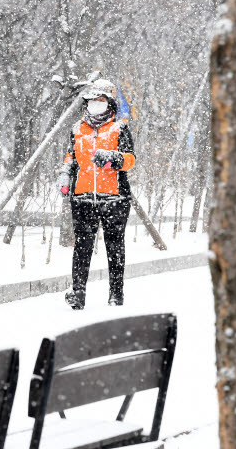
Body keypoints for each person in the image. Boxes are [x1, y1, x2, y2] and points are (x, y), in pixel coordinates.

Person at [56, 79, 137, 309]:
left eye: (100, 101)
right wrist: (64, 175)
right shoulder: (77, 129)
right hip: (82, 197)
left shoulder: (119, 128)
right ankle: (78, 293)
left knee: (115, 247)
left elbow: (130, 159)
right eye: (92, 101)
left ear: (109, 103)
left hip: (114, 198)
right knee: (82, 247)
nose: (95, 105)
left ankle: (115, 294)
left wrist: (113, 158)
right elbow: (70, 157)